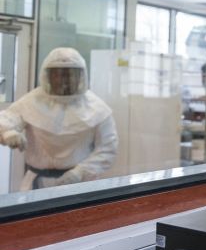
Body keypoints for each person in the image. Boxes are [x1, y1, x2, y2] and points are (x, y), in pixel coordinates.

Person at [0, 47, 118, 191]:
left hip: (81, 183)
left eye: (70, 74)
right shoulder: (31, 101)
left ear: (81, 76)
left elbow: (107, 148)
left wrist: (80, 172)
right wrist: (8, 133)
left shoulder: (98, 108)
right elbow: (7, 119)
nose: (64, 80)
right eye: (58, 74)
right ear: (48, 76)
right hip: (38, 182)